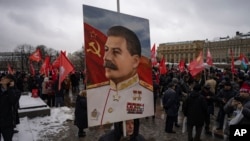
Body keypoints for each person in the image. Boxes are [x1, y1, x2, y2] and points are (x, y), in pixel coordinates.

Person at [87, 26, 154, 127]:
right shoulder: (93, 93)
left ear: (135, 61)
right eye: (106, 50)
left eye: (116, 52)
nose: (106, 57)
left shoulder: (147, 94)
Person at [0, 74, 20, 141]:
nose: (3, 80)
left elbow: (13, 101)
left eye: (6, 79)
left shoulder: (16, 91)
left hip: (7, 122)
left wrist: (9, 88)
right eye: (3, 78)